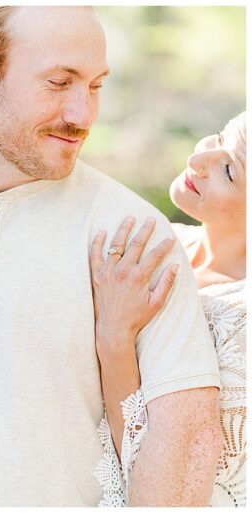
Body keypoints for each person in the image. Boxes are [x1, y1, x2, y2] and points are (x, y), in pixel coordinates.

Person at [0, 6, 221, 506]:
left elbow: (183, 473)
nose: (83, 115)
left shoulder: (138, 238)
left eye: (95, 85)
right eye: (59, 82)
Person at [91, 112, 246, 506]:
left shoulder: (241, 321)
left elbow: (165, 466)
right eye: (217, 137)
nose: (198, 161)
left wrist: (116, 335)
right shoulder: (157, 242)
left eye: (228, 170)